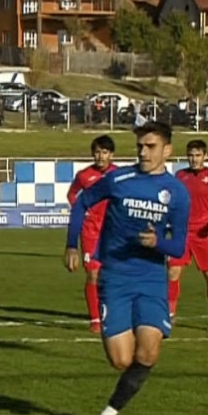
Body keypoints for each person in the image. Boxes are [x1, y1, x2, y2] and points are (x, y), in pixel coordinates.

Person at [64, 122, 190, 415]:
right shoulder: (119, 179)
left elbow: (178, 245)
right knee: (121, 360)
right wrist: (70, 245)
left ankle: (109, 414)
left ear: (167, 151)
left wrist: (157, 243)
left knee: (148, 353)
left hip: (150, 280)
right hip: (115, 277)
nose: (144, 152)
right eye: (140, 147)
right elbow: (81, 202)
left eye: (151, 146)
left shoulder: (176, 193)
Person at [167, 140, 208, 332]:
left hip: (204, 234)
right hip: (182, 233)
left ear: (205, 156)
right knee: (172, 272)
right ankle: (169, 314)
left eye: (197, 155)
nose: (193, 159)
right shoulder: (180, 176)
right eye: (190, 155)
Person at [67, 135, 117, 333]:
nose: (100, 156)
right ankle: (95, 319)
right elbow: (72, 195)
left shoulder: (118, 175)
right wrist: (83, 211)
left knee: (115, 275)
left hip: (114, 231)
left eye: (104, 152)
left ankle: (113, 312)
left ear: (111, 154)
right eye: (97, 152)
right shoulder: (83, 176)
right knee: (93, 274)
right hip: (91, 232)